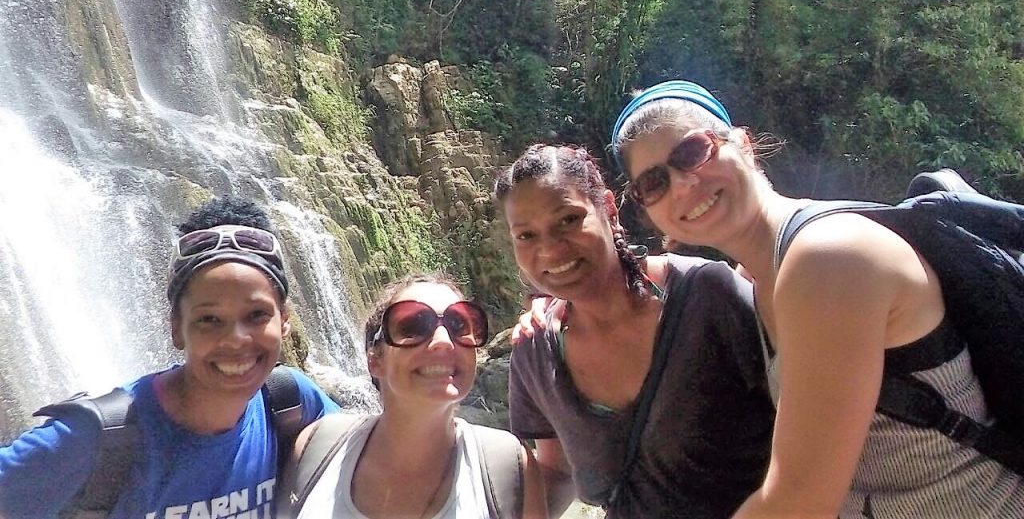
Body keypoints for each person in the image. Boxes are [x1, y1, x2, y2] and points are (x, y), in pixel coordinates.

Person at [609, 79, 1024, 518]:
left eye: (693, 152)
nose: (681, 184)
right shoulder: (758, 277)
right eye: (653, 183)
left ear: (744, 146)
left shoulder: (826, 259)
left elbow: (799, 502)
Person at [0, 197, 341, 519]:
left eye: (256, 315)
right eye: (209, 319)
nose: (236, 339)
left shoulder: (288, 400)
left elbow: (371, 459)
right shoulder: (96, 438)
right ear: (177, 329)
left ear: (284, 321)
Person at [494, 145, 775, 518]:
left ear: (609, 209)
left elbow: (805, 421)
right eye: (526, 236)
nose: (550, 250)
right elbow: (556, 468)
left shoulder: (707, 297)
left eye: (568, 219)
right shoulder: (536, 352)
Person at [282, 273, 547, 519]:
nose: (443, 340)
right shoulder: (315, 447)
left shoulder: (510, 467)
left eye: (459, 324)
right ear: (374, 358)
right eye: (413, 326)